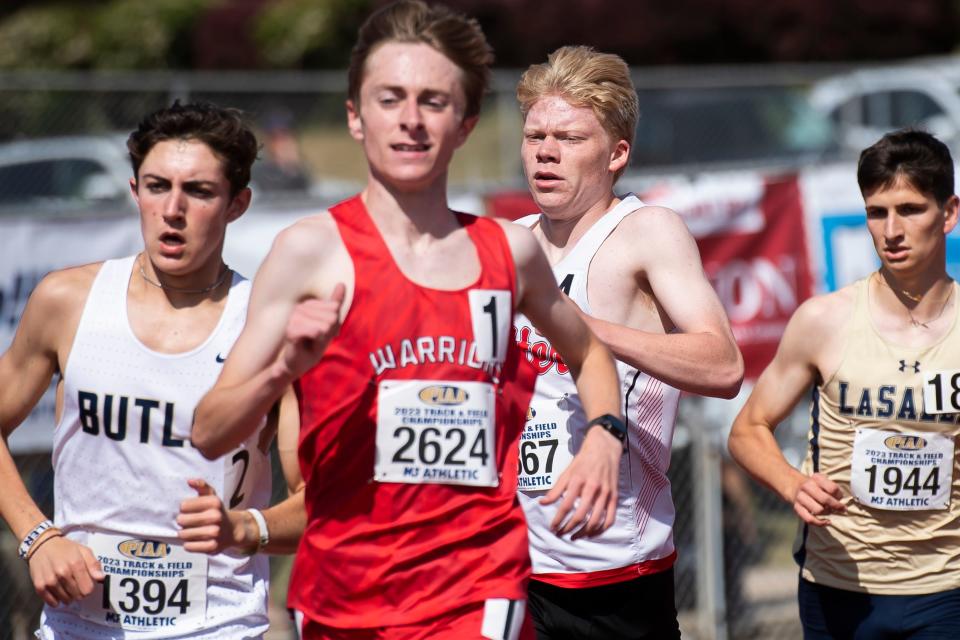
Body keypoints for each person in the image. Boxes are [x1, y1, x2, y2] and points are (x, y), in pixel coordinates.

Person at [190, 2, 626, 638]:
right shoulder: (309, 253)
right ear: (355, 117)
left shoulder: (510, 252)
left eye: (433, 100)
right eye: (390, 98)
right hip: (343, 589)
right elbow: (208, 430)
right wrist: (284, 368)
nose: (411, 120)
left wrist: (605, 437)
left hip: (478, 586)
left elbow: (590, 354)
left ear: (466, 123)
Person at [0, 101, 300, 639]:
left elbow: (322, 505)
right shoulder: (68, 299)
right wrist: (37, 537)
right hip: (78, 625)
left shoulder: (268, 327)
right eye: (157, 186)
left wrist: (244, 527)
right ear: (135, 191)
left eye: (200, 191)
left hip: (220, 626)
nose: (173, 209)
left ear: (238, 204)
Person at [512, 46, 744, 639]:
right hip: (510, 567)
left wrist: (580, 328)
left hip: (613, 569)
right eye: (535, 134)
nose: (545, 152)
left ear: (617, 154)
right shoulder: (508, 244)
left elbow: (722, 366)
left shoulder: (646, 232)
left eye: (568, 137)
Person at [728, 129, 960, 639]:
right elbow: (748, 429)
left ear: (948, 214)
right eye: (877, 212)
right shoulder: (823, 320)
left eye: (910, 209)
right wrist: (793, 485)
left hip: (948, 591)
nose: (892, 230)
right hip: (840, 588)